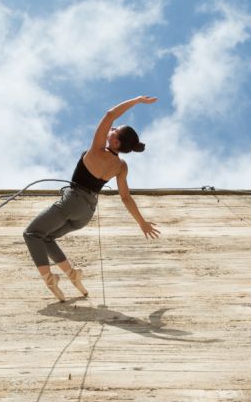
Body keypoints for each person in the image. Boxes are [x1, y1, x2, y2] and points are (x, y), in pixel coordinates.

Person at [24, 96, 160, 301]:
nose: (111, 128)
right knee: (46, 237)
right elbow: (125, 198)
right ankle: (72, 274)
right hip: (86, 212)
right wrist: (141, 223)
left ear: (115, 141)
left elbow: (109, 114)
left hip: (72, 201)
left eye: (114, 130)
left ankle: (49, 279)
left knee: (31, 234)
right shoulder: (121, 166)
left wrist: (138, 100)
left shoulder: (97, 148)